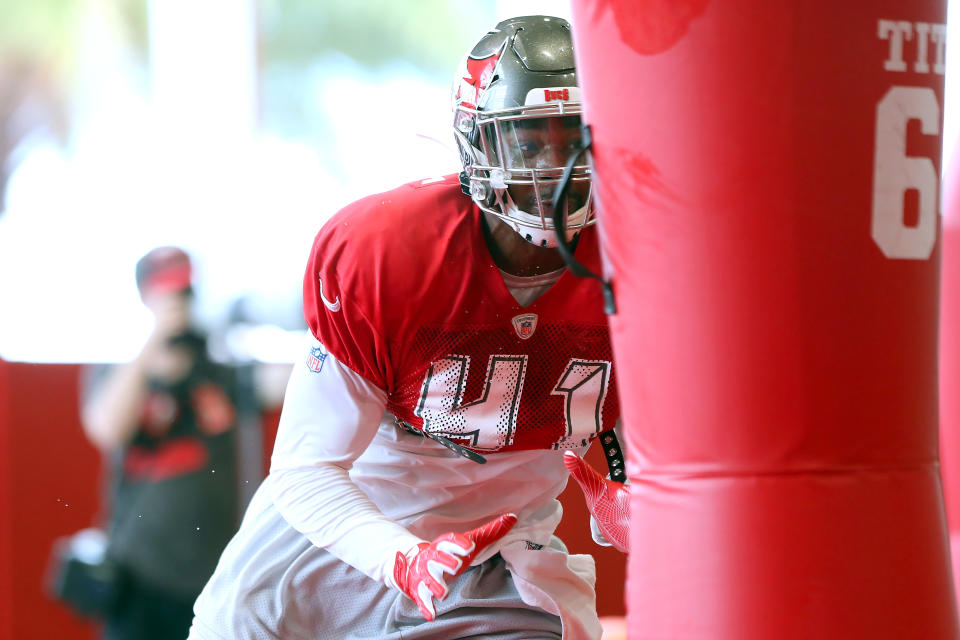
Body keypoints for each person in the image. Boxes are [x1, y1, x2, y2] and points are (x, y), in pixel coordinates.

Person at [189, 15, 628, 640]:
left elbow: (667, 436)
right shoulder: (390, 253)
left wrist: (649, 496)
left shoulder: (648, 258)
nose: (555, 170)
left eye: (573, 140)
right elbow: (307, 471)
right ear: (478, 143)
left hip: (494, 558)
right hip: (337, 542)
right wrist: (400, 556)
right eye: (529, 142)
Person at [81, 246, 247, 640]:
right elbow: (106, 428)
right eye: (168, 293)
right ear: (146, 296)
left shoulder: (221, 371)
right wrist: (154, 343)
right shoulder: (121, 373)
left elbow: (282, 383)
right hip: (140, 578)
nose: (178, 303)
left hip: (213, 577)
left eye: (185, 293)